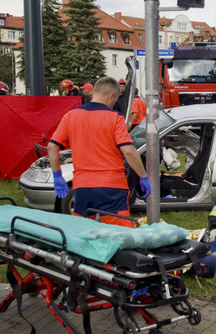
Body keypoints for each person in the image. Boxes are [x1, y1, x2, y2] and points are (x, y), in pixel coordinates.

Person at [48, 76, 151, 227]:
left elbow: (52, 146)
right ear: (111, 95)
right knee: (120, 235)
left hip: (83, 186)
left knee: (82, 232)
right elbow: (128, 150)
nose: (114, 103)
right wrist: (143, 176)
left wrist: (57, 176)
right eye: (115, 99)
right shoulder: (115, 118)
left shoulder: (71, 116)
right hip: (112, 187)